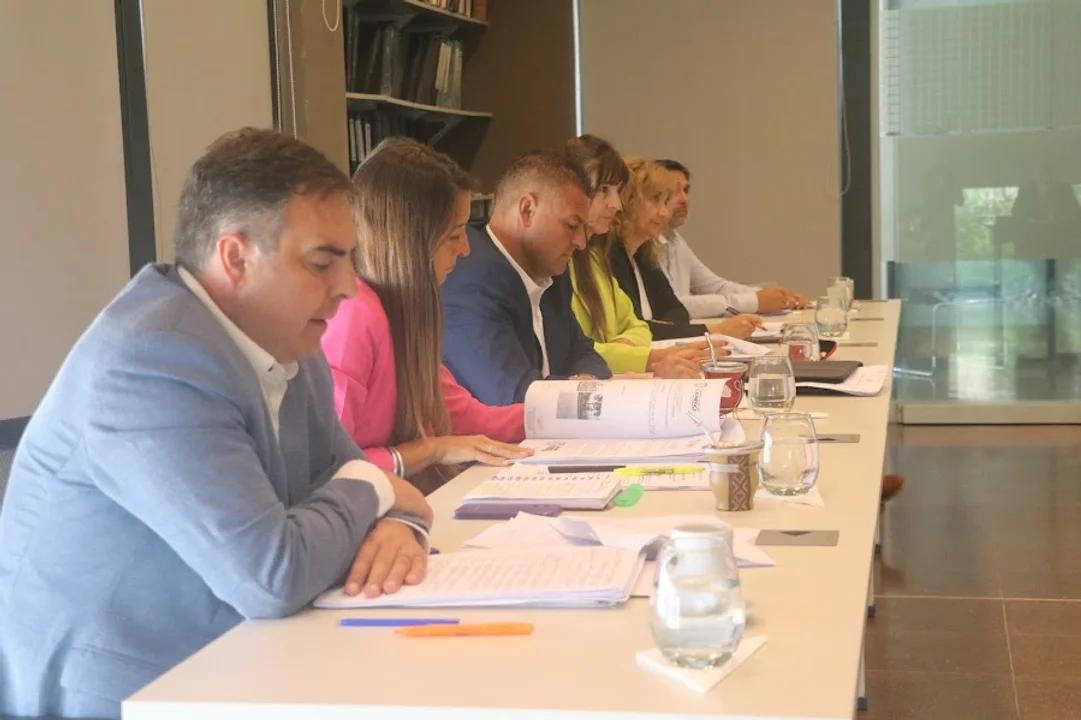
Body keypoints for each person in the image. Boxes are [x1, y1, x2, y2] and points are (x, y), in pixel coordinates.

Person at [0, 128, 432, 720]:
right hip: (127, 691)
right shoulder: (152, 361)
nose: (349, 287)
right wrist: (379, 489)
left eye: (349, 259)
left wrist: (398, 525)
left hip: (239, 661)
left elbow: (359, 484)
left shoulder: (289, 343)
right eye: (322, 262)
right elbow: (272, 575)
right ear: (235, 258)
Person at [322, 138, 529, 494]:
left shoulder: (403, 316)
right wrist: (429, 451)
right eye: (454, 235)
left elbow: (465, 417)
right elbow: (329, 469)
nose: (465, 249)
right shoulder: (353, 315)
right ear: (410, 241)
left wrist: (579, 409)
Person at [442, 151, 612, 406]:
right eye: (571, 225)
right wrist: (581, 391)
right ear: (527, 210)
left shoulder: (552, 274)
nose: (581, 242)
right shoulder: (473, 281)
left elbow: (585, 354)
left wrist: (585, 383)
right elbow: (515, 396)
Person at [564, 135, 710, 378]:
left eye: (617, 192)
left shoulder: (594, 259)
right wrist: (643, 356)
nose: (616, 204)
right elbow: (573, 352)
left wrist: (625, 346)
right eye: (604, 191)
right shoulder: (561, 262)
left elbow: (638, 325)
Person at [605, 157, 764, 341]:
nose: (664, 212)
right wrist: (715, 330)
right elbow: (634, 329)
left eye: (665, 202)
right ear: (626, 201)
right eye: (655, 200)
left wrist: (662, 328)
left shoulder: (643, 253)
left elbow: (677, 311)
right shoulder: (609, 255)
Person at [655, 159, 809, 317]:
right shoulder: (644, 246)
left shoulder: (676, 241)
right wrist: (754, 301)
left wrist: (777, 298)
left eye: (686, 191)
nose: (684, 200)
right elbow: (669, 306)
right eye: (674, 192)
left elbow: (717, 287)